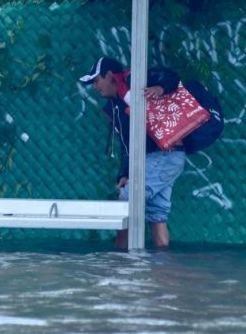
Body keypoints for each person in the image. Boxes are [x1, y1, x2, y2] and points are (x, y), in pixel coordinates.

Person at [79, 56, 184, 249]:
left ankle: (122, 263)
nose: (95, 86)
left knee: (127, 201)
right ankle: (164, 268)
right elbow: (126, 144)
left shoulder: (133, 82)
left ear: (110, 75)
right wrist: (125, 173)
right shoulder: (114, 106)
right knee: (157, 213)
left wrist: (159, 89)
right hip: (159, 158)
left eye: (96, 80)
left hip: (164, 155)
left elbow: (172, 77)